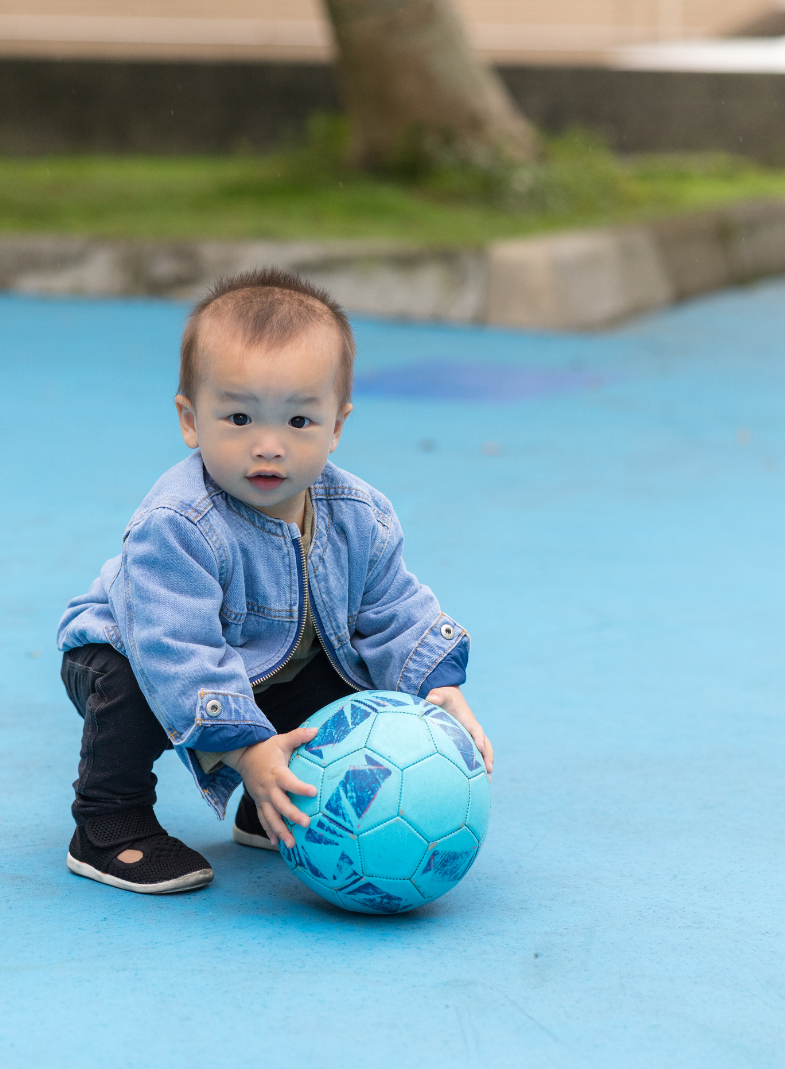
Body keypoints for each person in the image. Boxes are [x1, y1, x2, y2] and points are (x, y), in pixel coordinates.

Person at [56, 268, 492, 895]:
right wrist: (244, 747)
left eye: (298, 422)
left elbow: (393, 607)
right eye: (237, 417)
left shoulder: (359, 514)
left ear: (336, 426)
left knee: (346, 676)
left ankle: (276, 803)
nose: (268, 446)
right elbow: (177, 651)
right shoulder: (177, 524)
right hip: (131, 652)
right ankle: (108, 822)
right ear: (190, 419)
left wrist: (437, 683)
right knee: (131, 689)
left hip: (264, 665)